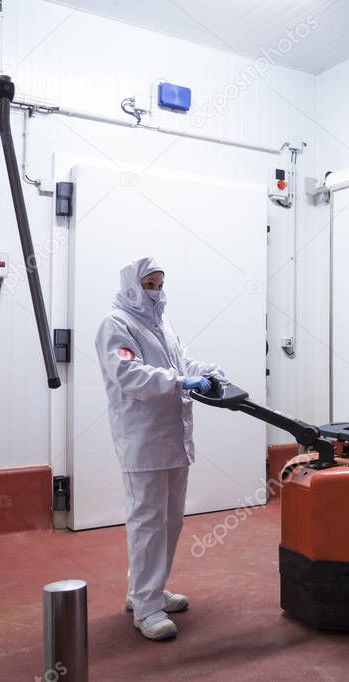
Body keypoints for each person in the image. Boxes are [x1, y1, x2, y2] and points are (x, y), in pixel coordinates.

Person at [95, 257, 224, 641]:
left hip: (173, 438)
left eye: (160, 283)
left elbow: (180, 362)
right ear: (132, 286)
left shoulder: (162, 324)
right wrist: (183, 382)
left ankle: (149, 590)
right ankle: (146, 607)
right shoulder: (115, 324)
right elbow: (129, 375)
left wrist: (208, 372)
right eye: (149, 283)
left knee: (170, 521)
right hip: (144, 440)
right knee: (147, 524)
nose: (157, 290)